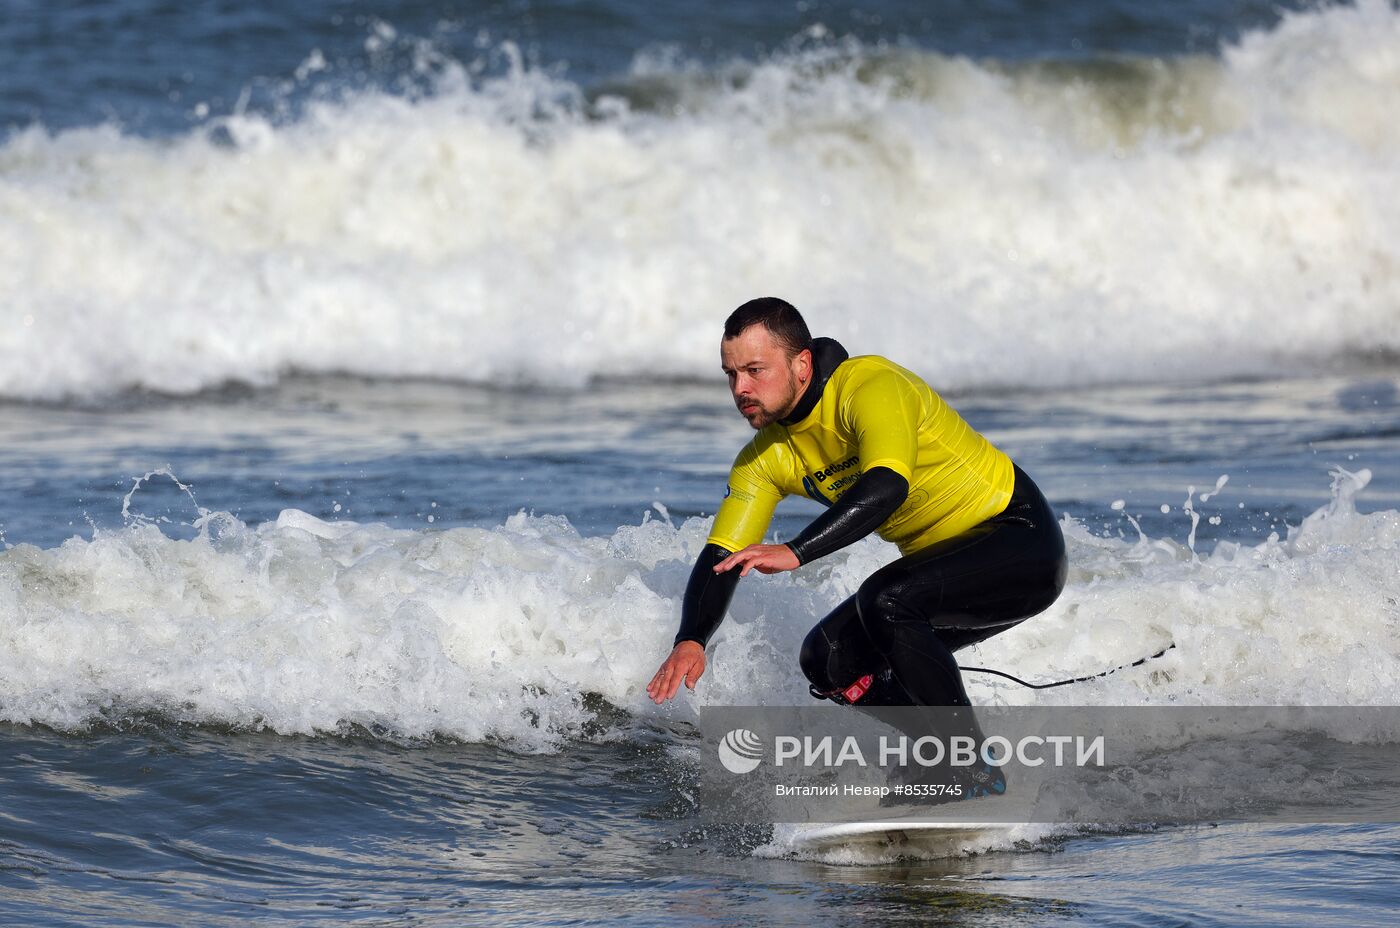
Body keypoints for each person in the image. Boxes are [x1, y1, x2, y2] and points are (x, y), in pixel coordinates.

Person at [645, 297, 1067, 795]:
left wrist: (797, 550)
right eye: (731, 373)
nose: (741, 388)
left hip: (1018, 538)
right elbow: (721, 554)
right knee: (828, 659)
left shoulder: (869, 386)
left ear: (801, 363)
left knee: (886, 599)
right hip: (947, 575)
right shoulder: (763, 459)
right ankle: (940, 756)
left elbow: (887, 488)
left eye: (755, 370)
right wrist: (691, 638)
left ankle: (969, 766)